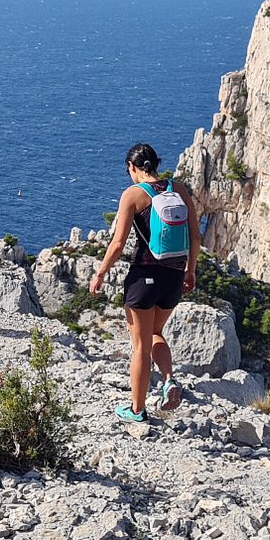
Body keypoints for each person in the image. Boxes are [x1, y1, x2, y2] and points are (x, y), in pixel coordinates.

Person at [89, 143, 199, 422]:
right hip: (174, 275)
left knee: (140, 345)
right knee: (156, 332)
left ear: (133, 167)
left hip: (143, 277)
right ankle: (169, 378)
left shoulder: (133, 195)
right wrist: (190, 272)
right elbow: (196, 237)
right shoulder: (179, 189)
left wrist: (100, 273)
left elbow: (117, 243)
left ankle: (137, 410)